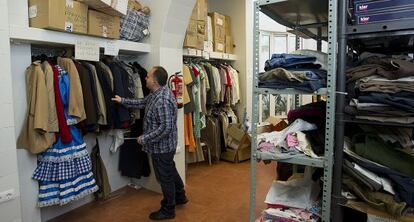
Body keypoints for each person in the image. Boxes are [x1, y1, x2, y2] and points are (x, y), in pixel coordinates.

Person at [112, 66, 188, 220]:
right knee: (170, 170)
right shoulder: (155, 94)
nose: (145, 78)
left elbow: (165, 128)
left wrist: (145, 138)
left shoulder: (163, 100)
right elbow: (142, 103)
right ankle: (180, 196)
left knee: (164, 177)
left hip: (163, 147)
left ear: (154, 81)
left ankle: (168, 209)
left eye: (147, 77)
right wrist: (123, 101)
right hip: (164, 146)